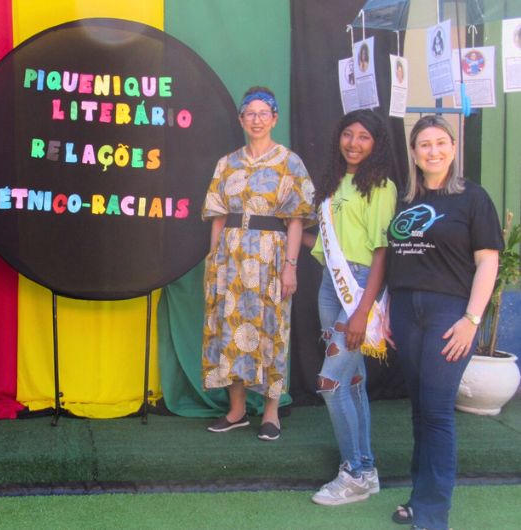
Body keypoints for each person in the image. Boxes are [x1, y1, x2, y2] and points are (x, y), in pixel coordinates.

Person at [385, 115, 502, 530]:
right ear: (414, 153)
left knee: (436, 411)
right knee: (420, 410)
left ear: (453, 148)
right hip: (405, 310)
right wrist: (387, 309)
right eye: (424, 145)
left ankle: (434, 514)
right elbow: (395, 258)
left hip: (449, 314)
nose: (432, 151)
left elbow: (488, 262)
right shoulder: (405, 199)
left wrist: (472, 319)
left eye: (440, 143)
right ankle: (420, 499)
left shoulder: (473, 197)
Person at [201, 86, 315, 441]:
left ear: (274, 118)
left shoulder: (290, 162)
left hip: (272, 257)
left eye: (264, 113)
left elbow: (296, 220)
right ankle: (236, 411)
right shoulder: (227, 163)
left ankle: (270, 412)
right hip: (231, 256)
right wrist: (213, 261)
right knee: (230, 328)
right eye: (250, 113)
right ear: (241, 119)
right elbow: (218, 216)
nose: (257, 120)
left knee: (272, 328)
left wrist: (291, 265)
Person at [308, 109, 397, 506]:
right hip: (330, 283)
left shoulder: (381, 186)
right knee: (353, 380)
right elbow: (329, 240)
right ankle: (366, 469)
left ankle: (353, 474)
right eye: (348, 134)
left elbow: (381, 252)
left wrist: (363, 310)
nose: (354, 143)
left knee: (330, 382)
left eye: (364, 136)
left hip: (359, 286)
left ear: (376, 143)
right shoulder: (332, 181)